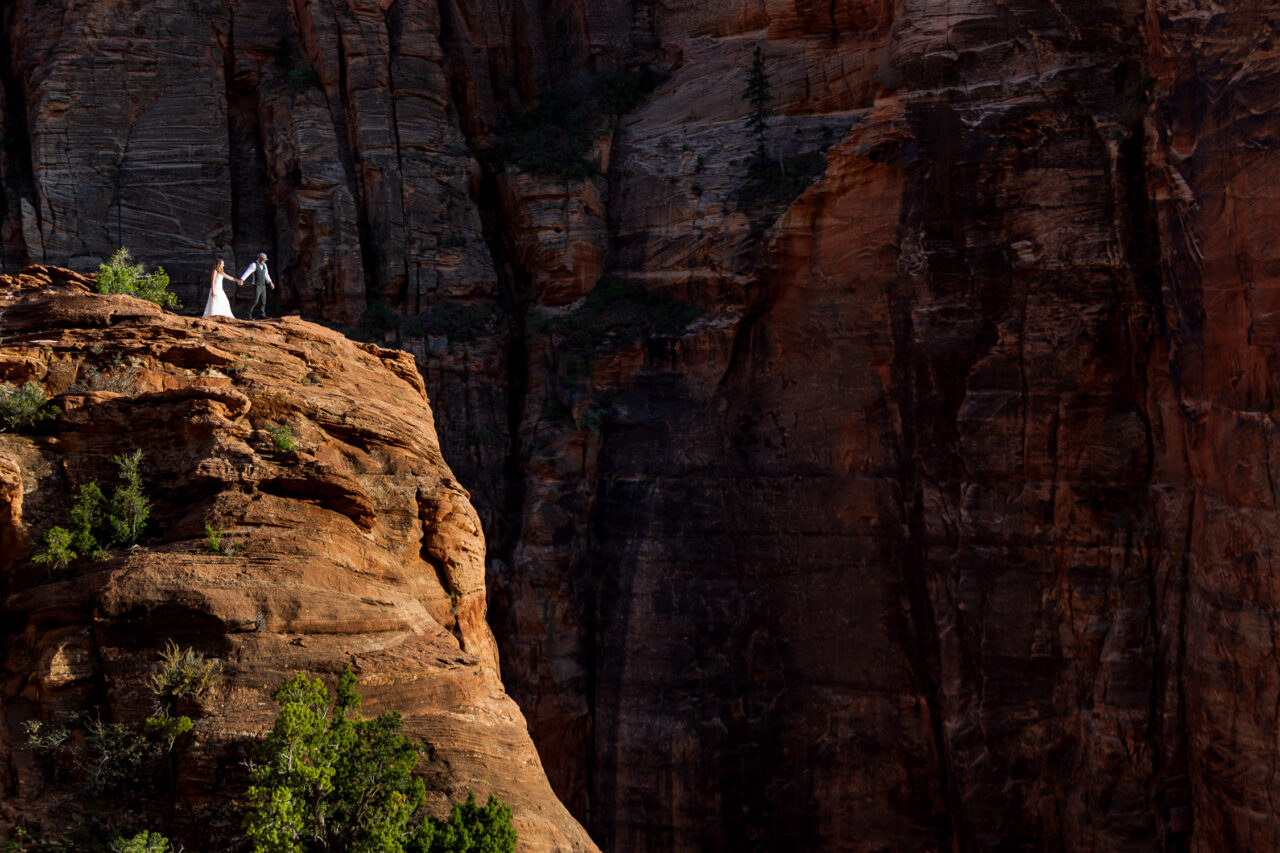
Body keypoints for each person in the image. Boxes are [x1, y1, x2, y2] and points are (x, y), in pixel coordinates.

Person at [240, 252, 274, 319]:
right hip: (256, 285)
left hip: (263, 285)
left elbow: (266, 275)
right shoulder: (254, 265)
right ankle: (248, 315)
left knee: (263, 301)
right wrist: (242, 279)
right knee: (255, 300)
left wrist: (270, 282)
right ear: (259, 259)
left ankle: (262, 315)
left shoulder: (264, 265)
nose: (264, 261)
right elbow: (247, 272)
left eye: (265, 260)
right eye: (263, 260)